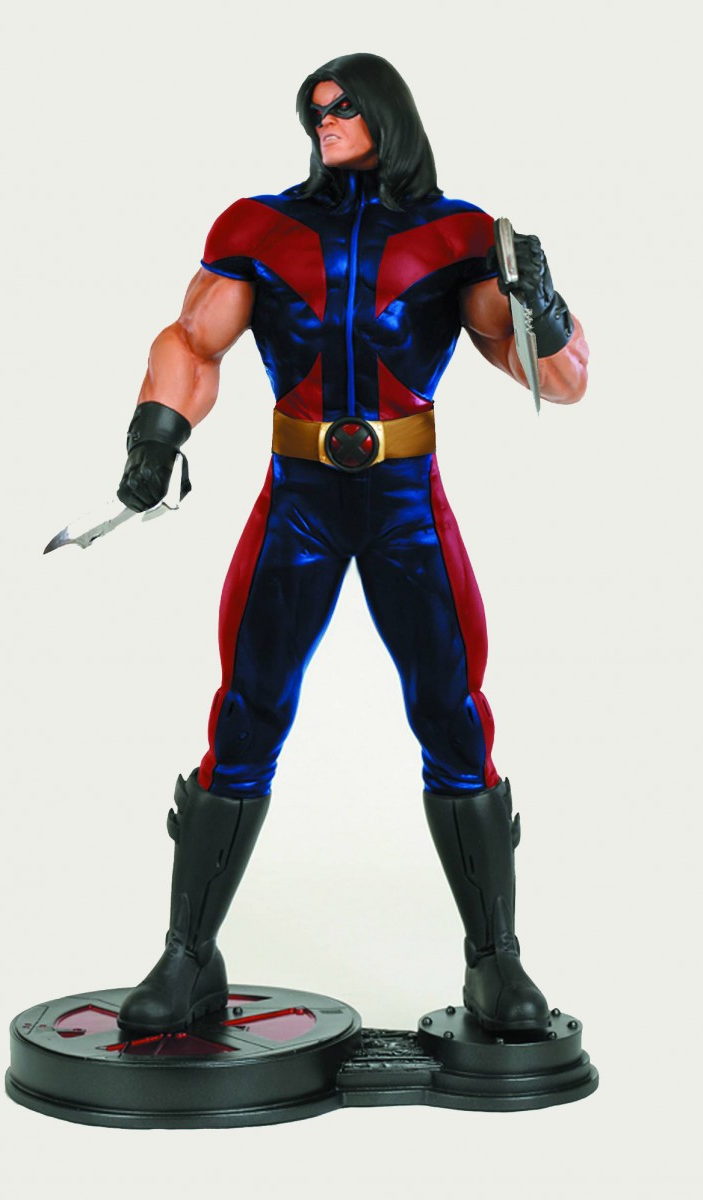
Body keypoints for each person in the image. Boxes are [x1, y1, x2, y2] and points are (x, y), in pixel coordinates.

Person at [115, 53, 589, 1037]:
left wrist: (541, 302)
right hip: (299, 499)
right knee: (246, 712)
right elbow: (193, 342)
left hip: (406, 501)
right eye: (314, 109)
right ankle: (187, 958)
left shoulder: (459, 234)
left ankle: (495, 963)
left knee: (453, 715)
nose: (323, 120)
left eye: (341, 106)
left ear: (387, 113)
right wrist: (156, 435)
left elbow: (560, 377)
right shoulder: (259, 226)